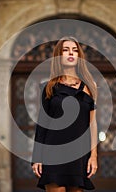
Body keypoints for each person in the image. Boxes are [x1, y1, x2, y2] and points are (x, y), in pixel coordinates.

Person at [31, 36, 98, 192]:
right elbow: (42, 125)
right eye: (66, 50)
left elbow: (92, 124)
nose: (70, 53)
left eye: (74, 50)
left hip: (79, 153)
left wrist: (93, 156)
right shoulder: (48, 87)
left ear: (79, 56)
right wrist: (37, 158)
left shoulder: (90, 86)